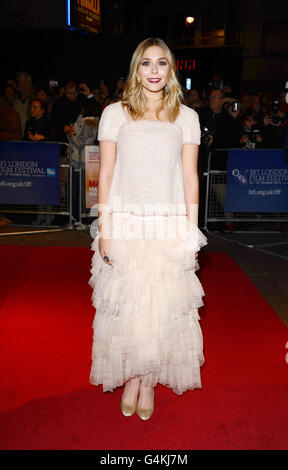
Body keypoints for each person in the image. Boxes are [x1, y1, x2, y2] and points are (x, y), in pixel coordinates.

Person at [89, 37, 208, 421]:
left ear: (171, 69)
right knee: (128, 310)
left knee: (162, 311)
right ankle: (132, 378)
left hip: (169, 225)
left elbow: (191, 178)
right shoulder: (115, 113)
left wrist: (190, 233)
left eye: (161, 63)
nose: (154, 71)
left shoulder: (186, 118)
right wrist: (105, 226)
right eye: (146, 63)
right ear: (135, 69)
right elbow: (105, 174)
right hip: (126, 221)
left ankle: (148, 381)